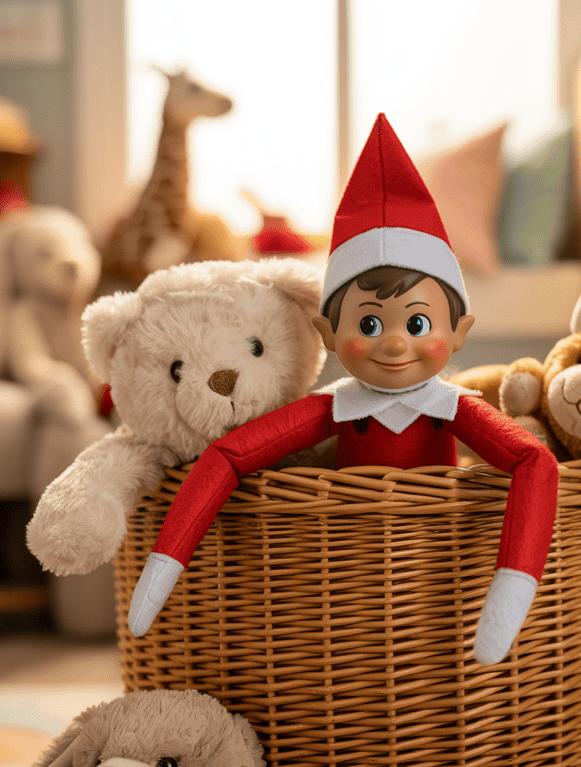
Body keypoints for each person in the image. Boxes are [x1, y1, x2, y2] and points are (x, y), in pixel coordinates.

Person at [129, 114, 558, 662]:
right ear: (329, 335)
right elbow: (229, 455)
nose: (396, 345)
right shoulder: (334, 407)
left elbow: (534, 464)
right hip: (344, 592)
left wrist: (509, 592)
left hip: (437, 588)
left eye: (419, 324)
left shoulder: (448, 408)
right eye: (370, 324)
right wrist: (165, 567)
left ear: (459, 335)